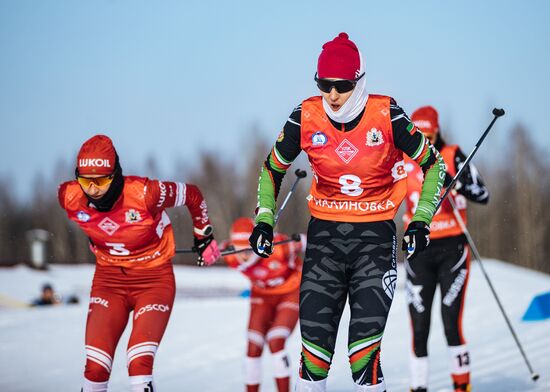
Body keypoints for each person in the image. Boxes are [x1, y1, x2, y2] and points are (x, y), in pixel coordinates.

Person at [248, 32, 446, 392]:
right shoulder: (305, 116)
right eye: (325, 84)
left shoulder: (386, 113)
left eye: (341, 85)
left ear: (359, 80)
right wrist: (264, 218)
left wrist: (421, 220)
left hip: (374, 240)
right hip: (325, 240)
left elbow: (434, 166)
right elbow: (272, 168)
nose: (333, 95)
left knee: (362, 357)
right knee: (314, 358)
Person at [58, 135, 220, 392]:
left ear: (116, 174)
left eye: (100, 180)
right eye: (85, 181)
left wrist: (204, 235)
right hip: (108, 282)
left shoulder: (146, 193)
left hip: (153, 281)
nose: (93, 189)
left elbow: (193, 194)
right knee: (96, 367)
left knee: (139, 362)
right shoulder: (68, 196)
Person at [404, 106, 489, 392]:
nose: (424, 141)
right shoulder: (404, 160)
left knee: (451, 322)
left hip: (453, 248)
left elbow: (483, 194)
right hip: (419, 251)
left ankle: (461, 385)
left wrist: (458, 184)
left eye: (427, 134)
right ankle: (418, 387)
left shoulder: (453, 155)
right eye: (419, 134)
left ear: (436, 131)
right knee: (419, 326)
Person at [223, 217, 306, 392]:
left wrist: (300, 239)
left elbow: (309, 242)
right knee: (253, 347)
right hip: (262, 297)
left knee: (275, 341)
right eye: (239, 249)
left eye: (248, 248)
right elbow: (211, 250)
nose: (244, 255)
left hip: (289, 293)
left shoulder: (279, 247)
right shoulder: (230, 256)